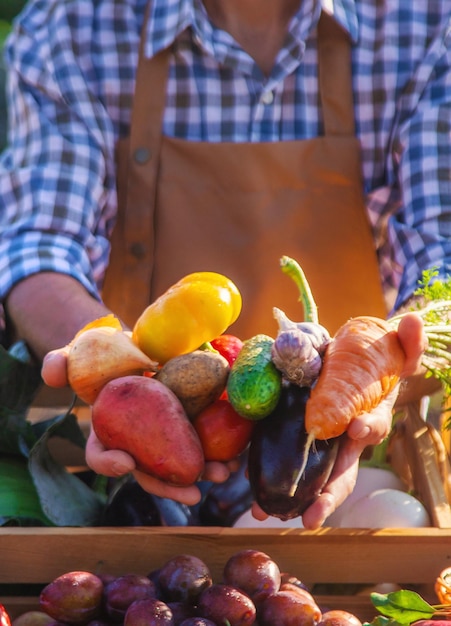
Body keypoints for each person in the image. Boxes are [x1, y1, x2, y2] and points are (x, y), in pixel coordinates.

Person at [0, 0, 448, 529]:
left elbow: (442, 254)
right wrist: (123, 387)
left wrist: (378, 366)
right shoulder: (70, 28)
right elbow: (39, 245)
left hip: (331, 447)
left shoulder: (425, 25)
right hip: (142, 474)